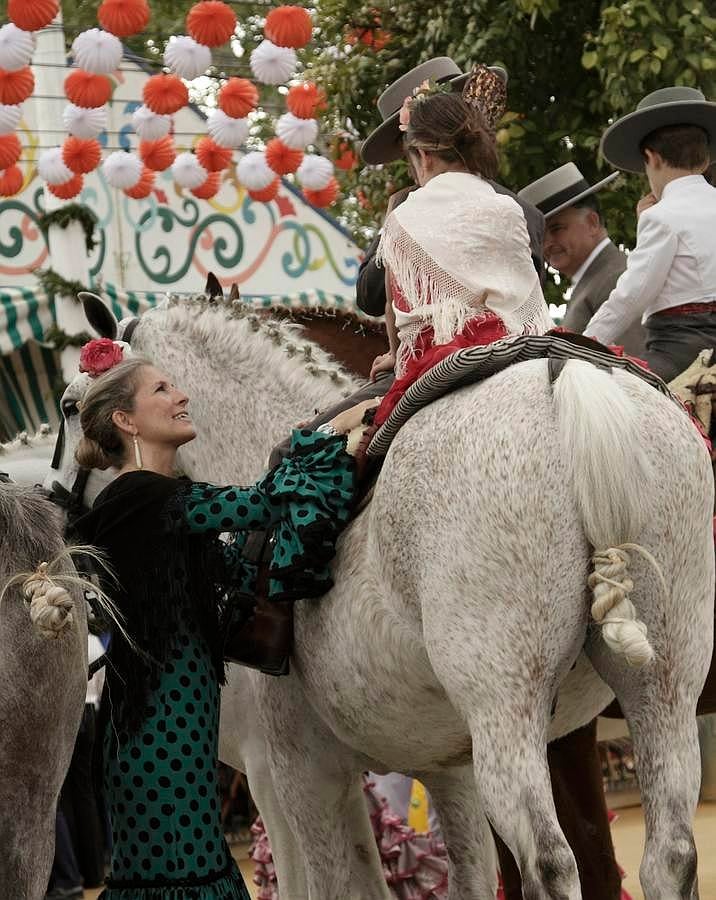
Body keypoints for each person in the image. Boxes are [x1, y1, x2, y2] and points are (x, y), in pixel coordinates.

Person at [73, 352, 371, 899]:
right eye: (162, 388)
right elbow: (264, 503)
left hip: (170, 730)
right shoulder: (144, 497)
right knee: (182, 875)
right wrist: (335, 426)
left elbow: (247, 557)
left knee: (184, 867)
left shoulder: (156, 501)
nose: (180, 396)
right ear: (126, 420)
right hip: (159, 734)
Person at [368, 72, 553, 425]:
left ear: (421, 155)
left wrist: (395, 354)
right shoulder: (510, 207)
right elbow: (530, 296)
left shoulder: (403, 214)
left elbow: (391, 307)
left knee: (315, 449)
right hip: (521, 349)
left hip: (436, 360)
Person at [584, 85, 716, 381]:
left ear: (651, 158)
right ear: (705, 160)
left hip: (681, 351)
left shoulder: (660, 217)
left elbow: (632, 296)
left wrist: (583, 345)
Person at [518, 162, 647, 357]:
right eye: (540, 236)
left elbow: (635, 365)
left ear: (592, 223)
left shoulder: (616, 278)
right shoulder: (597, 278)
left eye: (556, 229)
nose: (547, 243)